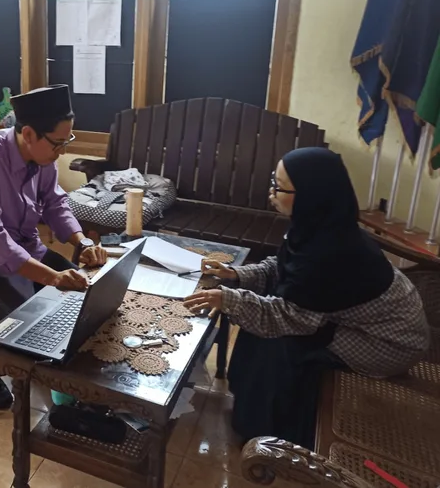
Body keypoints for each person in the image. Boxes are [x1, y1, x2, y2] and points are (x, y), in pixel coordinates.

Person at [183, 147, 430, 448]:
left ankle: (272, 435)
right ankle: (251, 407)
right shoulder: (319, 226)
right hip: (358, 321)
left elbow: (290, 318)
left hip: (385, 342)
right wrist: (239, 275)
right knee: (262, 317)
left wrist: (228, 299)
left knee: (282, 344)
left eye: (279, 187)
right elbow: (286, 268)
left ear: (312, 193)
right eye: (273, 181)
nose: (271, 192)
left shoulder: (331, 253)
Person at [0, 84, 107, 409]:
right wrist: (51, 277)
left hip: (26, 249)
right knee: (33, 326)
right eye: (59, 143)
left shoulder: (42, 156)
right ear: (29, 133)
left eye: (68, 141)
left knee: (85, 300)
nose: (62, 151)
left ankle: (66, 377)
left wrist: (82, 242)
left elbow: (55, 204)